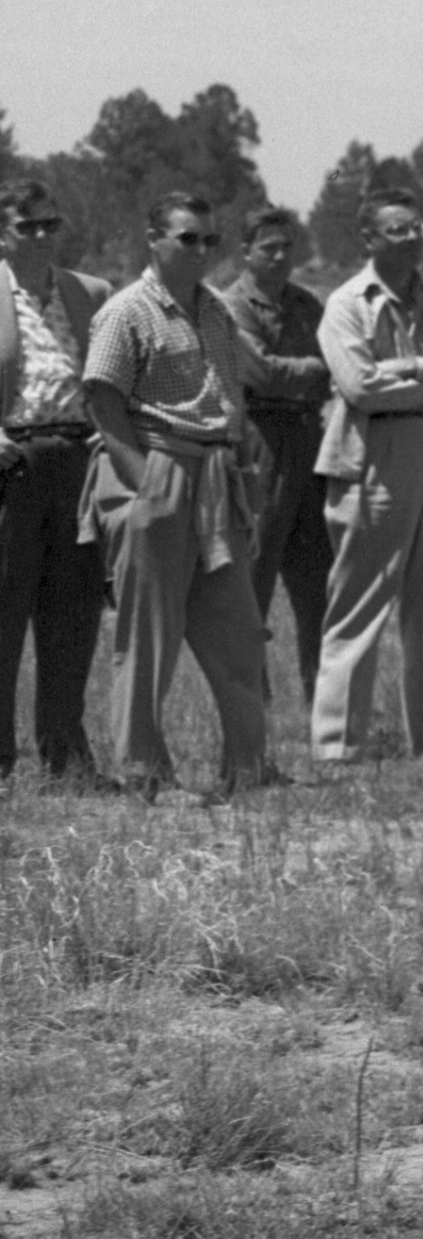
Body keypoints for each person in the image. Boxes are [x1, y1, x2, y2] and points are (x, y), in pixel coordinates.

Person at [78, 197, 278, 801]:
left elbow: (234, 394)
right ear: (153, 240)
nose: (200, 251)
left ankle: (248, 769)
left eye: (210, 241)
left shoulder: (215, 310)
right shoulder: (126, 312)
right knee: (148, 639)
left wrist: (241, 470)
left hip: (216, 476)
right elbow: (102, 399)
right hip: (157, 466)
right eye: (188, 239)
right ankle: (145, 774)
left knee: (238, 632)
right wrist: (144, 487)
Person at [314, 198, 423, 766]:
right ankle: (339, 744)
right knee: (360, 601)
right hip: (375, 451)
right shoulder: (345, 305)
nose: (413, 238)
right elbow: (361, 387)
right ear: (368, 237)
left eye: (419, 228)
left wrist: (413, 368)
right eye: (398, 230)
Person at [1, 183, 105, 789]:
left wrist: (108, 434)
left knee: (73, 613)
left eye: (50, 225)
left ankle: (65, 754)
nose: (41, 235)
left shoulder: (88, 293)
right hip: (12, 462)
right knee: (4, 611)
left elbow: (117, 372)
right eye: (27, 226)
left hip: (79, 460)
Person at [218, 203, 338, 707]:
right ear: (246, 252)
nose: (281, 256)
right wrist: (316, 365)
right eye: (269, 247)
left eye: (288, 246)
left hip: (311, 438)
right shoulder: (231, 306)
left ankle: (321, 697)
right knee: (256, 569)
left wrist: (314, 369)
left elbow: (341, 363)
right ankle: (252, 696)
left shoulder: (308, 305)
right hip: (261, 436)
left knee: (318, 577)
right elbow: (260, 372)